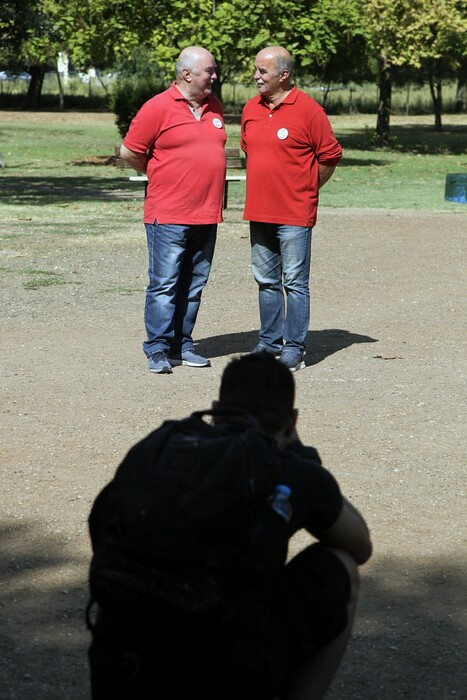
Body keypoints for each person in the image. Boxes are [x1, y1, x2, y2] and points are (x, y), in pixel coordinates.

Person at [87, 352, 372, 700]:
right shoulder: (287, 469)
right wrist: (300, 458)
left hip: (121, 666)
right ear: (291, 421)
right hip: (228, 677)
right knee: (341, 567)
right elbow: (360, 546)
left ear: (217, 408)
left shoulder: (161, 450)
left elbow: (101, 529)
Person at [120, 46, 226, 374]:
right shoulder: (158, 107)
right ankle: (157, 348)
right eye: (208, 71)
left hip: (207, 214)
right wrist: (160, 174)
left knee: (194, 285)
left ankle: (183, 344)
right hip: (167, 214)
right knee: (165, 284)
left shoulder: (214, 106)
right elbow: (130, 152)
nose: (214, 76)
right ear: (187, 74)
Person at [241, 46, 343, 372]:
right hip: (259, 212)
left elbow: (330, 156)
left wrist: (308, 189)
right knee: (266, 281)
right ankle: (269, 343)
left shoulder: (310, 111)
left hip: (295, 214)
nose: (256, 76)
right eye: (256, 70)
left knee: (295, 283)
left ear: (283, 75)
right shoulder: (250, 109)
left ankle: (294, 349)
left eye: (263, 71)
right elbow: (249, 150)